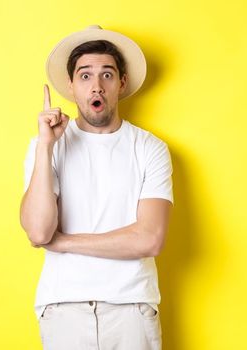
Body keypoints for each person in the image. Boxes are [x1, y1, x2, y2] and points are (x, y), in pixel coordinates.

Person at [19, 25, 173, 349]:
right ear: (71, 87)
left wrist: (63, 242)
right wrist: (46, 147)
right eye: (85, 76)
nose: (97, 86)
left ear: (122, 83)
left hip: (131, 307)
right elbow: (37, 231)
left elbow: (150, 238)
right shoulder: (45, 147)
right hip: (63, 309)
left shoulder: (149, 148)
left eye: (107, 74)